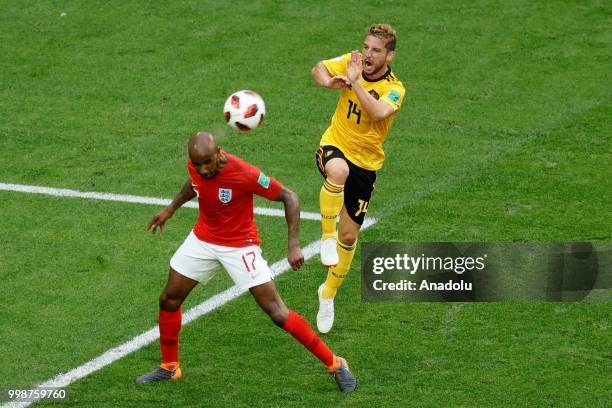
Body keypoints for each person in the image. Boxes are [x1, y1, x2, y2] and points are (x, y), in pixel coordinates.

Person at [135, 132, 356, 393]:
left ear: (220, 153)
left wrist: (293, 244)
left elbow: (290, 196)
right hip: (203, 239)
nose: (203, 169)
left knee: (277, 313)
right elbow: (193, 184)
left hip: (240, 246)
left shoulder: (244, 173)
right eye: (197, 164)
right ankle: (170, 366)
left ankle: (335, 363)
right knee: (169, 299)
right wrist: (170, 209)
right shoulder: (196, 167)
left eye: (208, 162)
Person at [311, 24, 406, 333]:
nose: (367, 54)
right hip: (335, 145)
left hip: (366, 164)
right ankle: (326, 237)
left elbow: (378, 112)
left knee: (349, 237)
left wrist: (355, 83)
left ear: (389, 55)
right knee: (338, 171)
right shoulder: (351, 62)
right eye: (366, 47)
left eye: (376, 50)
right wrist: (329, 82)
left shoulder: (396, 88)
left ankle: (327, 295)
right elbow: (318, 68)